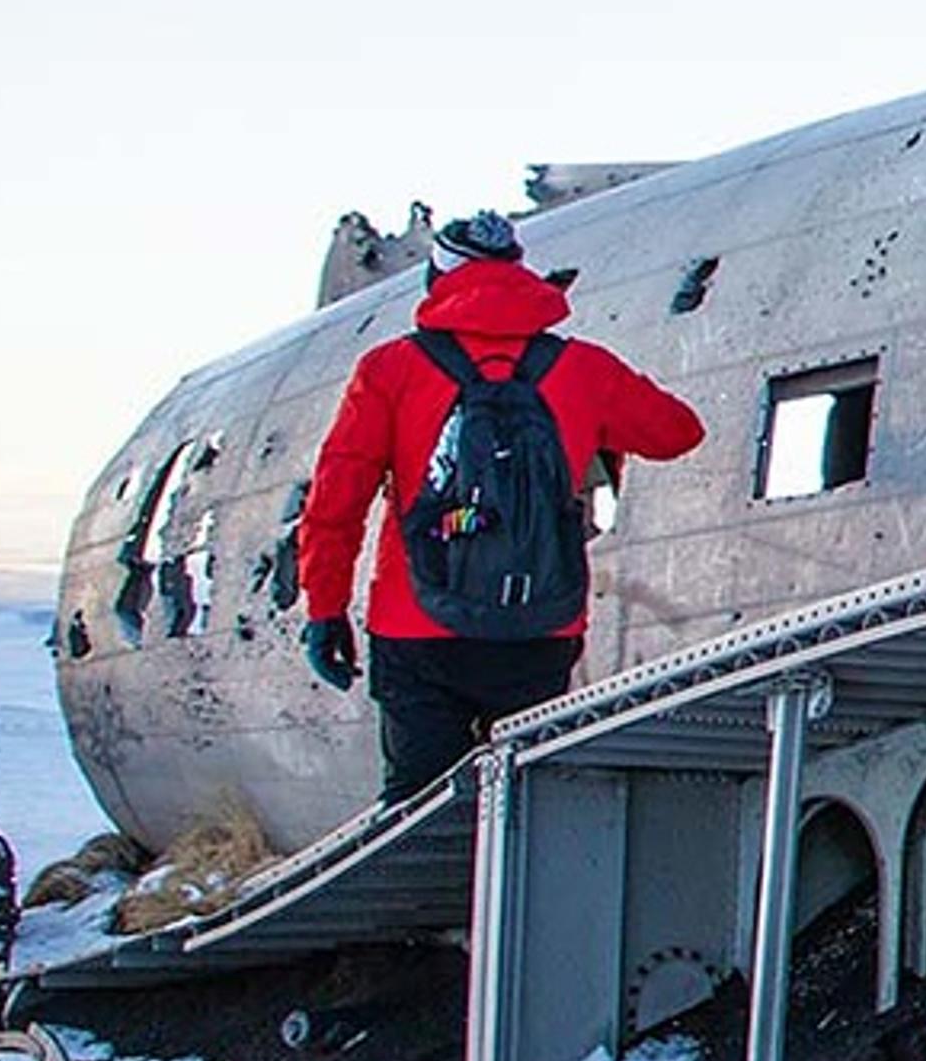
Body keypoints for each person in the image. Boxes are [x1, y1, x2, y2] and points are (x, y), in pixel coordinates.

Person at [298, 210, 707, 803]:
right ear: (522, 275)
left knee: (418, 808)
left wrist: (325, 609)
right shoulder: (580, 367)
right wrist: (591, 428)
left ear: (436, 280)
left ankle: (431, 895)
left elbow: (337, 501)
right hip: (538, 623)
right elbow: (678, 431)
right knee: (524, 805)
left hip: (417, 626)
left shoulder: (390, 370)